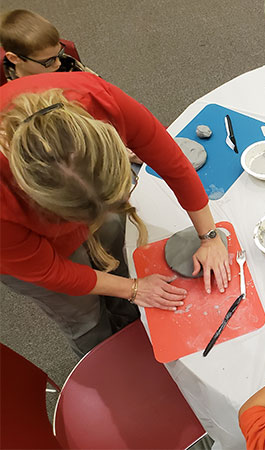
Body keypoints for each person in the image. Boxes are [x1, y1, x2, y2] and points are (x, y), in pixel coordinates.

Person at [0, 72, 231, 356]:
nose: (90, 227)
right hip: (16, 245)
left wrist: (209, 236)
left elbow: (175, 165)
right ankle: (111, 356)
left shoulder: (100, 101)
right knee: (84, 315)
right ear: (34, 197)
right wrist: (133, 288)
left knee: (113, 248)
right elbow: (51, 271)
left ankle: (130, 322)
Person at [0, 9, 96, 85]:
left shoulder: (67, 64)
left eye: (60, 53)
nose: (58, 63)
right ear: (14, 58)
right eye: (48, 61)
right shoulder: (7, 89)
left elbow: (98, 86)